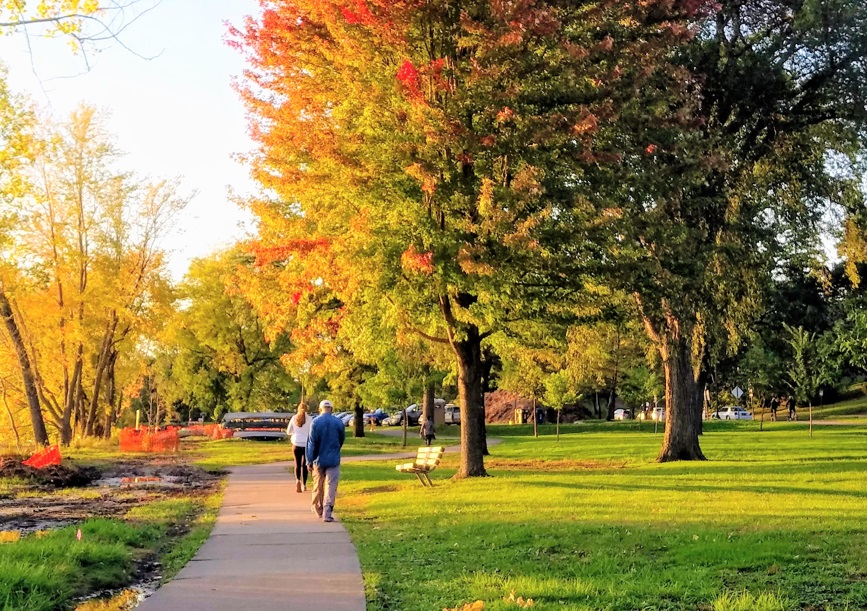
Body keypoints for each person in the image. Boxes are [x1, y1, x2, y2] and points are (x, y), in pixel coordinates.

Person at [306, 399, 345, 522]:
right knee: (331, 486)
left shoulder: (315, 422)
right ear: (331, 409)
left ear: (320, 409)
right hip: (333, 459)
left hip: (318, 459)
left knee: (318, 485)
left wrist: (309, 460)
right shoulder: (338, 422)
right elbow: (341, 439)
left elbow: (311, 443)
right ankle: (327, 513)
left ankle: (318, 508)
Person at [286, 402, 311, 493]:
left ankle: (297, 481)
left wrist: (295, 433)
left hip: (296, 443)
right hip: (306, 444)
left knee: (297, 464)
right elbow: (311, 432)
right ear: (306, 409)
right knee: (305, 464)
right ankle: (304, 484)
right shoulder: (310, 419)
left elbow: (288, 431)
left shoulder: (294, 418)